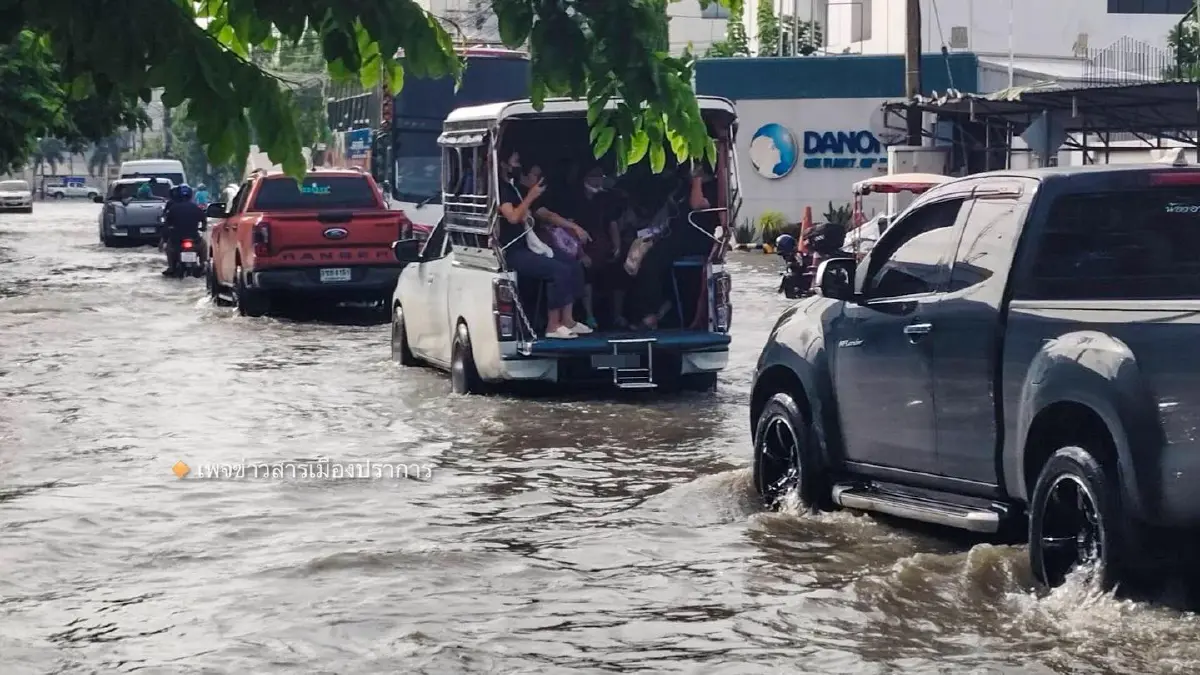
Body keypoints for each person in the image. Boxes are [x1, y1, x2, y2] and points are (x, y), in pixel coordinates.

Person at [497, 150, 592, 339]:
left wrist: (574, 227)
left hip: (531, 247)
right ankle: (552, 326)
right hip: (514, 250)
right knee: (557, 271)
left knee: (571, 265)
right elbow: (513, 217)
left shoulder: (517, 189)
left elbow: (546, 214)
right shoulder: (502, 190)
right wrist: (531, 196)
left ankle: (568, 320)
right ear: (505, 165)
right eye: (514, 162)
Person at [571, 166, 626, 329]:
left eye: (600, 176)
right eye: (593, 176)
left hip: (603, 245)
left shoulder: (606, 199)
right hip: (579, 246)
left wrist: (617, 246)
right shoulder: (576, 200)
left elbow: (612, 222)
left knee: (619, 269)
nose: (597, 180)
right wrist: (580, 254)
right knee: (587, 270)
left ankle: (617, 316)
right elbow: (569, 228)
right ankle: (589, 316)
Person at [161, 184, 205, 276]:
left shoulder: (173, 208)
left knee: (169, 248)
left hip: (177, 240)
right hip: (194, 238)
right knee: (204, 245)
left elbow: (167, 224)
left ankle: (171, 267)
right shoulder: (196, 208)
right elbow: (204, 220)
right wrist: (203, 227)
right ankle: (203, 264)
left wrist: (164, 239)